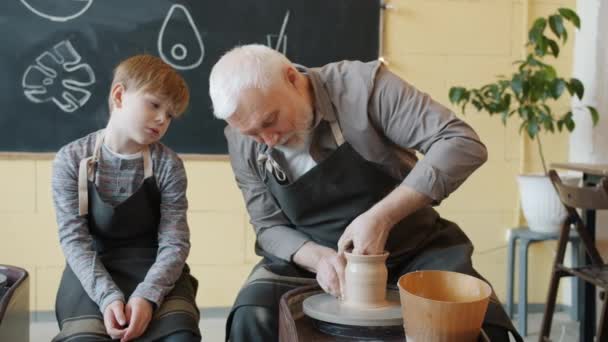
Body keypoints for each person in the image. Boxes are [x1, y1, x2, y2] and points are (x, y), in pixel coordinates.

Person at [209, 44, 523, 342]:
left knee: (480, 322)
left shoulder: (363, 88)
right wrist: (318, 259)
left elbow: (461, 143)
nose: (268, 139)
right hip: (318, 263)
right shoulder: (242, 142)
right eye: (252, 133)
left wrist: (381, 218)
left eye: (270, 120)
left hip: (413, 247)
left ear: (291, 78)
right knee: (252, 314)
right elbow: (268, 227)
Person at [52, 55, 201, 342]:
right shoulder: (70, 159)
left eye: (170, 114)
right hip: (93, 269)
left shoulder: (168, 165)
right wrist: (108, 297)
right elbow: (74, 240)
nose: (162, 119)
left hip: (155, 268)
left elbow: (175, 242)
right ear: (119, 95)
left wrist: (148, 296)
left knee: (180, 337)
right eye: (154, 104)